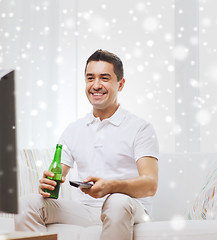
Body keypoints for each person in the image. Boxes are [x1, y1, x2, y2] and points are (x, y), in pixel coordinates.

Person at [15, 49, 159, 240]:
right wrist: (48, 182)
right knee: (26, 204)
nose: (96, 85)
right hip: (86, 211)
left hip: (130, 208)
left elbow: (150, 184)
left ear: (121, 84)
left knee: (116, 202)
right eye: (90, 78)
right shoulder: (74, 129)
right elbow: (57, 175)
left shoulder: (140, 128)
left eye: (104, 78)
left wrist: (111, 187)